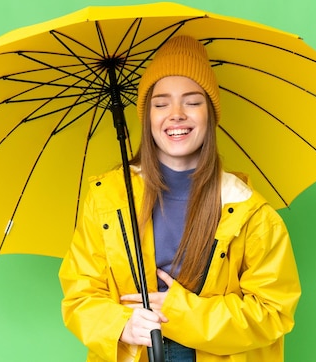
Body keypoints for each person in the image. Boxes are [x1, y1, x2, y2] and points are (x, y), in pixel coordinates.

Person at [59, 35, 301, 362]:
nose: (176, 114)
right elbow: (80, 294)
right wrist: (121, 326)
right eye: (160, 104)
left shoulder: (249, 211)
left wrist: (181, 312)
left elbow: (273, 311)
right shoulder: (108, 199)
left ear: (210, 114)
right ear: (147, 117)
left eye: (192, 101)